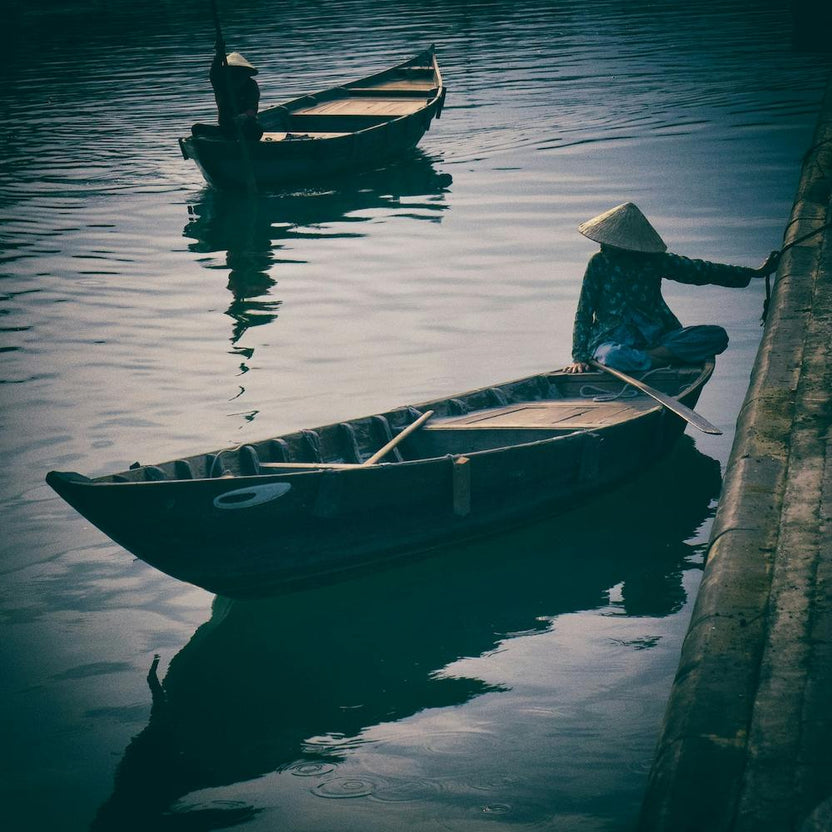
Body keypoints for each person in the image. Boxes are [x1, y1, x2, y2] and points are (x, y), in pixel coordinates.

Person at [563, 202, 780, 374]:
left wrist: (753, 273)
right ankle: (660, 358)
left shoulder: (654, 261)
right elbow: (584, 312)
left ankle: (649, 357)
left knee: (716, 336)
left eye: (611, 242)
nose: (604, 245)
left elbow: (700, 271)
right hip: (611, 340)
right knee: (612, 357)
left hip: (656, 337)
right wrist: (579, 357)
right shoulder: (598, 264)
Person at [194, 35, 263, 141]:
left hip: (244, 128)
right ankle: (224, 142)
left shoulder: (251, 85)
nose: (238, 76)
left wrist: (243, 116)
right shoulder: (221, 84)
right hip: (226, 129)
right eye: (234, 72)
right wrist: (219, 53)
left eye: (241, 73)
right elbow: (214, 72)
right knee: (197, 129)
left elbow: (252, 108)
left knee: (255, 129)